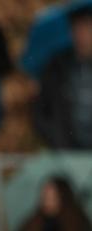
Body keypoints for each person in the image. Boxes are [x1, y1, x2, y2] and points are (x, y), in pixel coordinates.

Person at [34, 8, 92, 150]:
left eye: (87, 28)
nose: (82, 35)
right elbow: (40, 111)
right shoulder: (56, 66)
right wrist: (57, 140)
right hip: (66, 153)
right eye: (77, 29)